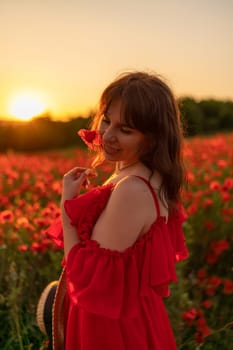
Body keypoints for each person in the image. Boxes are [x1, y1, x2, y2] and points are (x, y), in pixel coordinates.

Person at [48, 71, 189, 349]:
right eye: (107, 120)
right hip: (124, 314)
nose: (108, 135)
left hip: (110, 326)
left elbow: (85, 277)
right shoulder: (143, 174)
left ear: (153, 137)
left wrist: (67, 206)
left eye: (126, 130)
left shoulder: (132, 189)